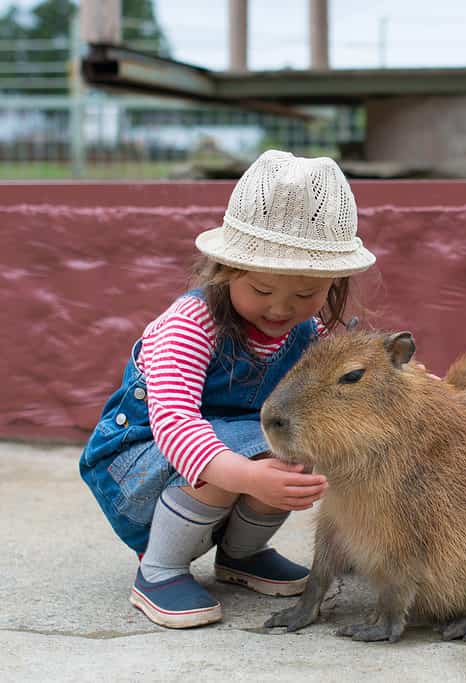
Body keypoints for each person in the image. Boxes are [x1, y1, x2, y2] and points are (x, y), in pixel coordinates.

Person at [79, 150, 376, 629]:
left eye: (305, 294)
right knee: (236, 460)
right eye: (262, 290)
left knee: (293, 448)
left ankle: (241, 556)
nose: (281, 308)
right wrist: (248, 477)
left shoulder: (308, 333)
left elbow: (343, 385)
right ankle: (159, 570)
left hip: (219, 458)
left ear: (333, 282)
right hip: (141, 463)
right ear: (225, 269)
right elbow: (175, 424)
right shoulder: (190, 324)